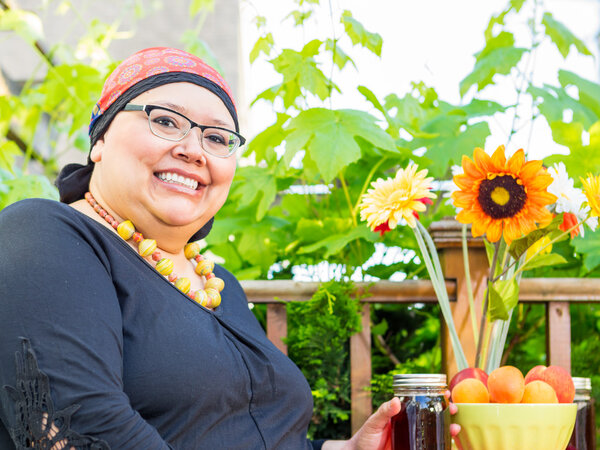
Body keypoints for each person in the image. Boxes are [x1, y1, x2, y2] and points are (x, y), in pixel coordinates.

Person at [0, 47, 458, 449]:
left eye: (217, 138)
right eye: (165, 120)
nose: (194, 149)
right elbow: (78, 425)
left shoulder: (222, 288)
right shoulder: (43, 233)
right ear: (99, 139)